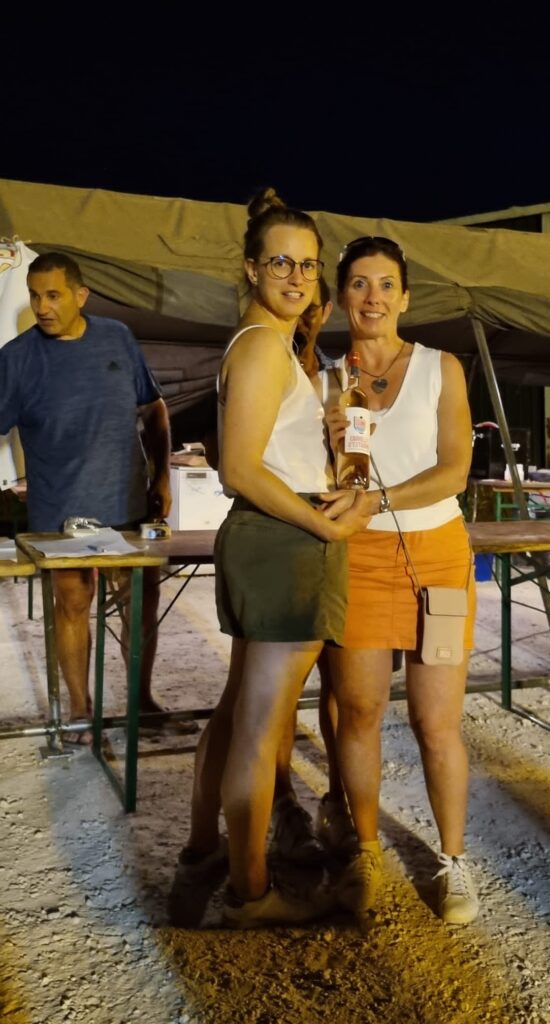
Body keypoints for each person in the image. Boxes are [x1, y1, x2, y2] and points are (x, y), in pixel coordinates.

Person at [184, 190, 369, 927]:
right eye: (280, 262)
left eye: (308, 264)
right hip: (284, 538)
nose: (296, 276)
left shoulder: (271, 345)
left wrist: (331, 460)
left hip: (273, 533)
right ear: (251, 267)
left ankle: (211, 855)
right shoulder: (262, 345)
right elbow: (240, 468)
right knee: (262, 729)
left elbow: (270, 459)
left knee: (241, 716)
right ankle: (250, 892)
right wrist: (323, 527)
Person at [324, 235, 479, 925]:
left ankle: (453, 862)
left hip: (437, 557)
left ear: (406, 296)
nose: (373, 297)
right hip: (357, 558)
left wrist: (381, 501)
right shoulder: (329, 378)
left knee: (435, 722)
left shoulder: (443, 368)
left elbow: (454, 470)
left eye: (385, 284)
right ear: (341, 298)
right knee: (358, 713)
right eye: (359, 284)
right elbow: (329, 478)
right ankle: (363, 849)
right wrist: (327, 453)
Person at [0, 252, 173, 742]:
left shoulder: (117, 336)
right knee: (73, 605)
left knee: (140, 605)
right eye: (34, 295)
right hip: (60, 512)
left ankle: (141, 698)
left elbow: (154, 407)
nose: (41, 306)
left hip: (127, 505)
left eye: (53, 295)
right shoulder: (15, 359)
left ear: (81, 296)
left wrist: (161, 478)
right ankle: (80, 708)